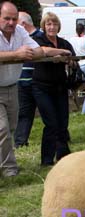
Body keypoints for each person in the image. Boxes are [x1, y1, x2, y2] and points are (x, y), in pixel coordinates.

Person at [0, 1, 43, 177]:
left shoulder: (20, 31)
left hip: (12, 86)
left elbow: (38, 50)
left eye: (14, 19)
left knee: (10, 128)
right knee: (1, 129)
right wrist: (17, 54)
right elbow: (20, 54)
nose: (11, 22)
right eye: (7, 18)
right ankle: (10, 169)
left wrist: (29, 52)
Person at [32, 12, 76, 166]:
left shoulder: (64, 42)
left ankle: (63, 156)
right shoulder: (38, 40)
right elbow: (43, 50)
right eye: (48, 24)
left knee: (63, 123)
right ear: (44, 26)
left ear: (59, 26)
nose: (52, 27)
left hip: (60, 87)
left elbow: (74, 60)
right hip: (42, 87)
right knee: (51, 123)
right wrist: (61, 53)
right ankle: (46, 160)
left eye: (54, 24)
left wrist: (68, 61)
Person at [14, 11, 42, 148]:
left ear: (23, 24)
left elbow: (43, 51)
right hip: (22, 81)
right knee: (24, 113)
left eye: (16, 22)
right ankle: (20, 141)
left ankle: (61, 137)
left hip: (39, 81)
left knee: (49, 112)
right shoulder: (18, 38)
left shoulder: (41, 37)